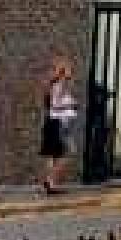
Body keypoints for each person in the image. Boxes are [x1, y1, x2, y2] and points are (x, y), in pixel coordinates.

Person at [40, 60, 79, 195]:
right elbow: (55, 105)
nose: (71, 73)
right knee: (65, 154)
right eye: (69, 70)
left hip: (53, 123)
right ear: (63, 73)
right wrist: (71, 105)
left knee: (53, 155)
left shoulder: (55, 86)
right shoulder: (59, 86)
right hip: (58, 124)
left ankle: (51, 183)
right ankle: (50, 181)